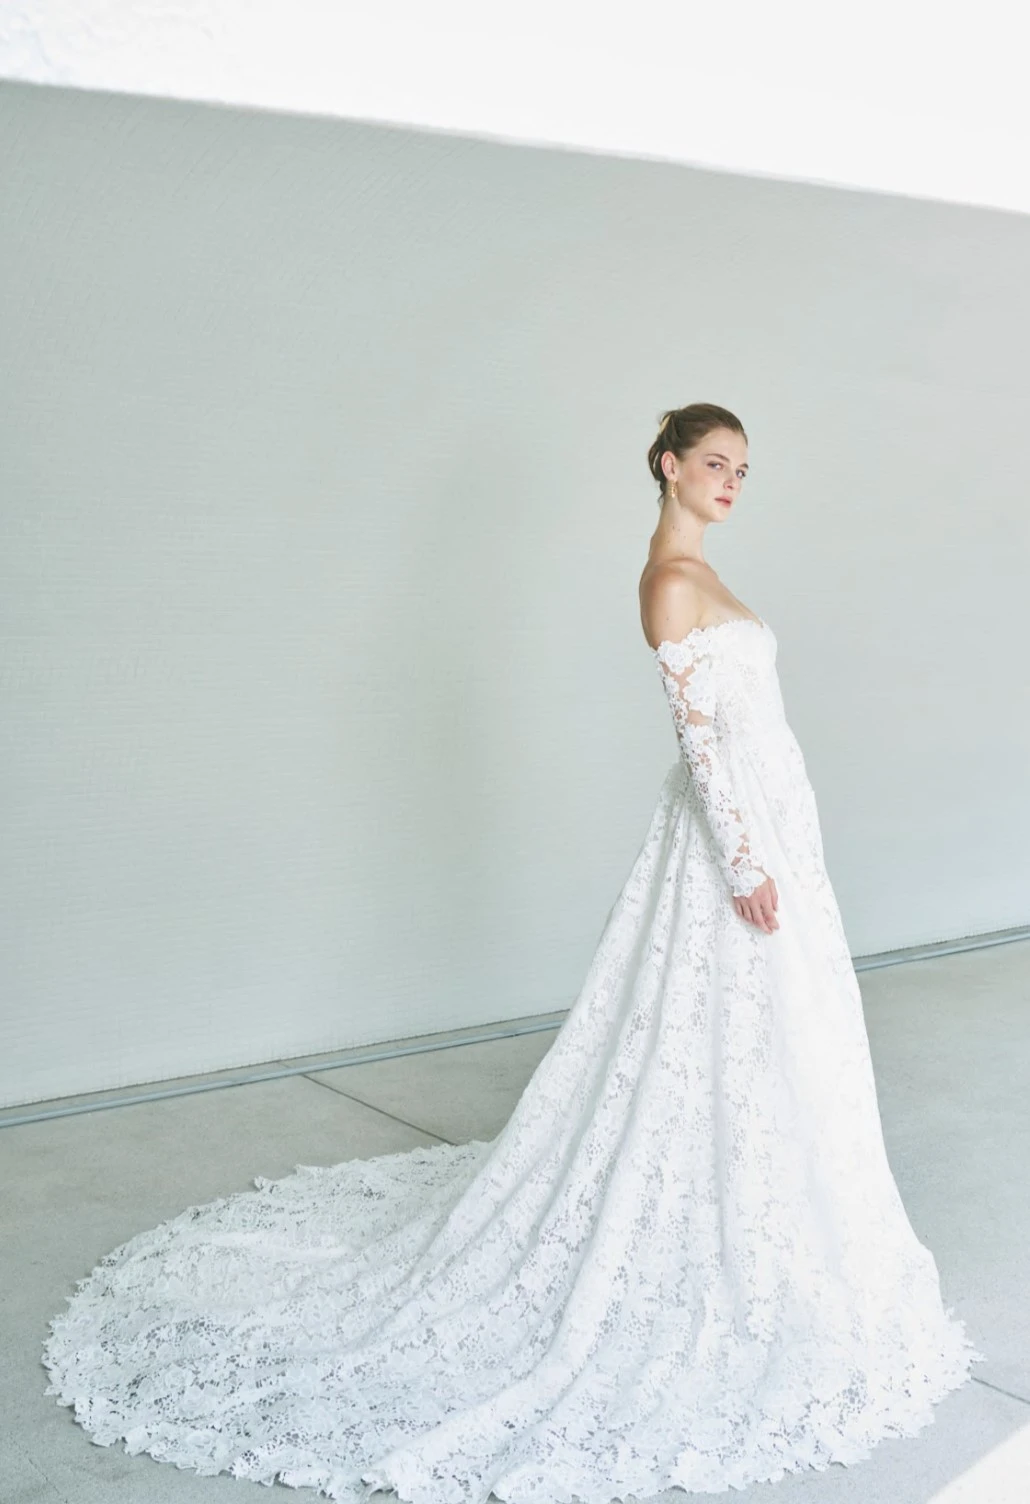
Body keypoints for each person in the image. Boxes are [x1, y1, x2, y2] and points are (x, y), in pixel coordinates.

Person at [42, 402, 983, 1502]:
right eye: (714, 464)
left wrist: (780, 844)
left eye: (743, 469)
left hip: (781, 826)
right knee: (713, 1022)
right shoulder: (668, 582)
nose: (731, 482)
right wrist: (743, 864)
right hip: (739, 845)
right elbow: (699, 745)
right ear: (667, 466)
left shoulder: (703, 572)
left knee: (784, 1031)